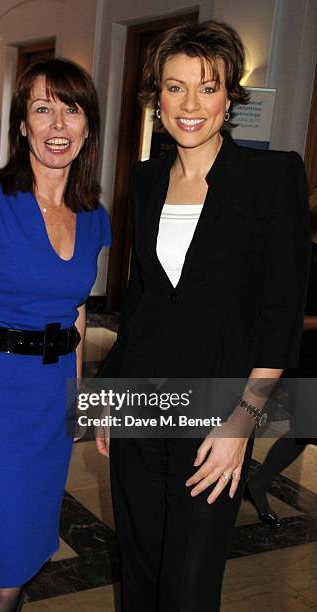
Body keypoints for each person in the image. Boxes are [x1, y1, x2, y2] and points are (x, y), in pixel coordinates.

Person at [97, 20, 311, 612]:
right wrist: (108, 400)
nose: (190, 105)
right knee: (139, 575)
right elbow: (141, 301)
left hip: (218, 410)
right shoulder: (143, 180)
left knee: (189, 591)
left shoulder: (273, 177)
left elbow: (280, 316)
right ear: (156, 97)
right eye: (174, 88)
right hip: (141, 400)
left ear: (230, 96)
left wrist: (244, 421)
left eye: (207, 87)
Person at [0, 58, 111, 611]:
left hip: (50, 401)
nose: (58, 125)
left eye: (71, 110)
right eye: (42, 109)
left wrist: (78, 399)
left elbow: (76, 311)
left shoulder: (93, 215)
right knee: (0, 573)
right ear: (22, 126)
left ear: (87, 126)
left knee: (26, 555)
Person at [246, 188, 317, 527]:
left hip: (309, 357)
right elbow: (276, 313)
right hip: (283, 353)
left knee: (306, 429)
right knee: (244, 418)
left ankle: (257, 483)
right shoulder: (297, 254)